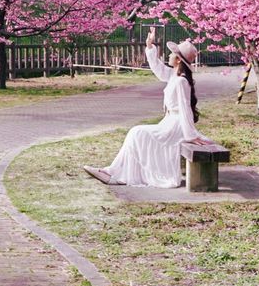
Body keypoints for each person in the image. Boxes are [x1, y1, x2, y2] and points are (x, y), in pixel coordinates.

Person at [84, 26, 212, 187]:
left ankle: (113, 173)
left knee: (136, 132)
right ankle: (112, 172)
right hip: (169, 123)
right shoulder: (174, 76)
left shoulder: (181, 81)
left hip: (175, 127)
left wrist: (190, 134)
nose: (170, 55)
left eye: (173, 54)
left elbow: (185, 109)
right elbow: (159, 70)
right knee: (136, 134)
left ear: (179, 60)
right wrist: (150, 46)